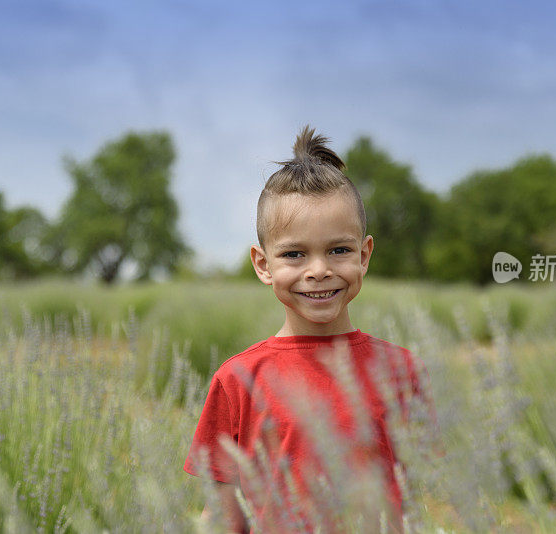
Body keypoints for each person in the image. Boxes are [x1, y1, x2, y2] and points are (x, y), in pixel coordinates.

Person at [183, 126, 428, 533]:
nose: (319, 270)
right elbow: (224, 517)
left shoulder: (401, 371)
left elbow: (426, 492)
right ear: (263, 264)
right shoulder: (238, 380)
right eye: (294, 254)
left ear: (364, 254)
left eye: (339, 250)